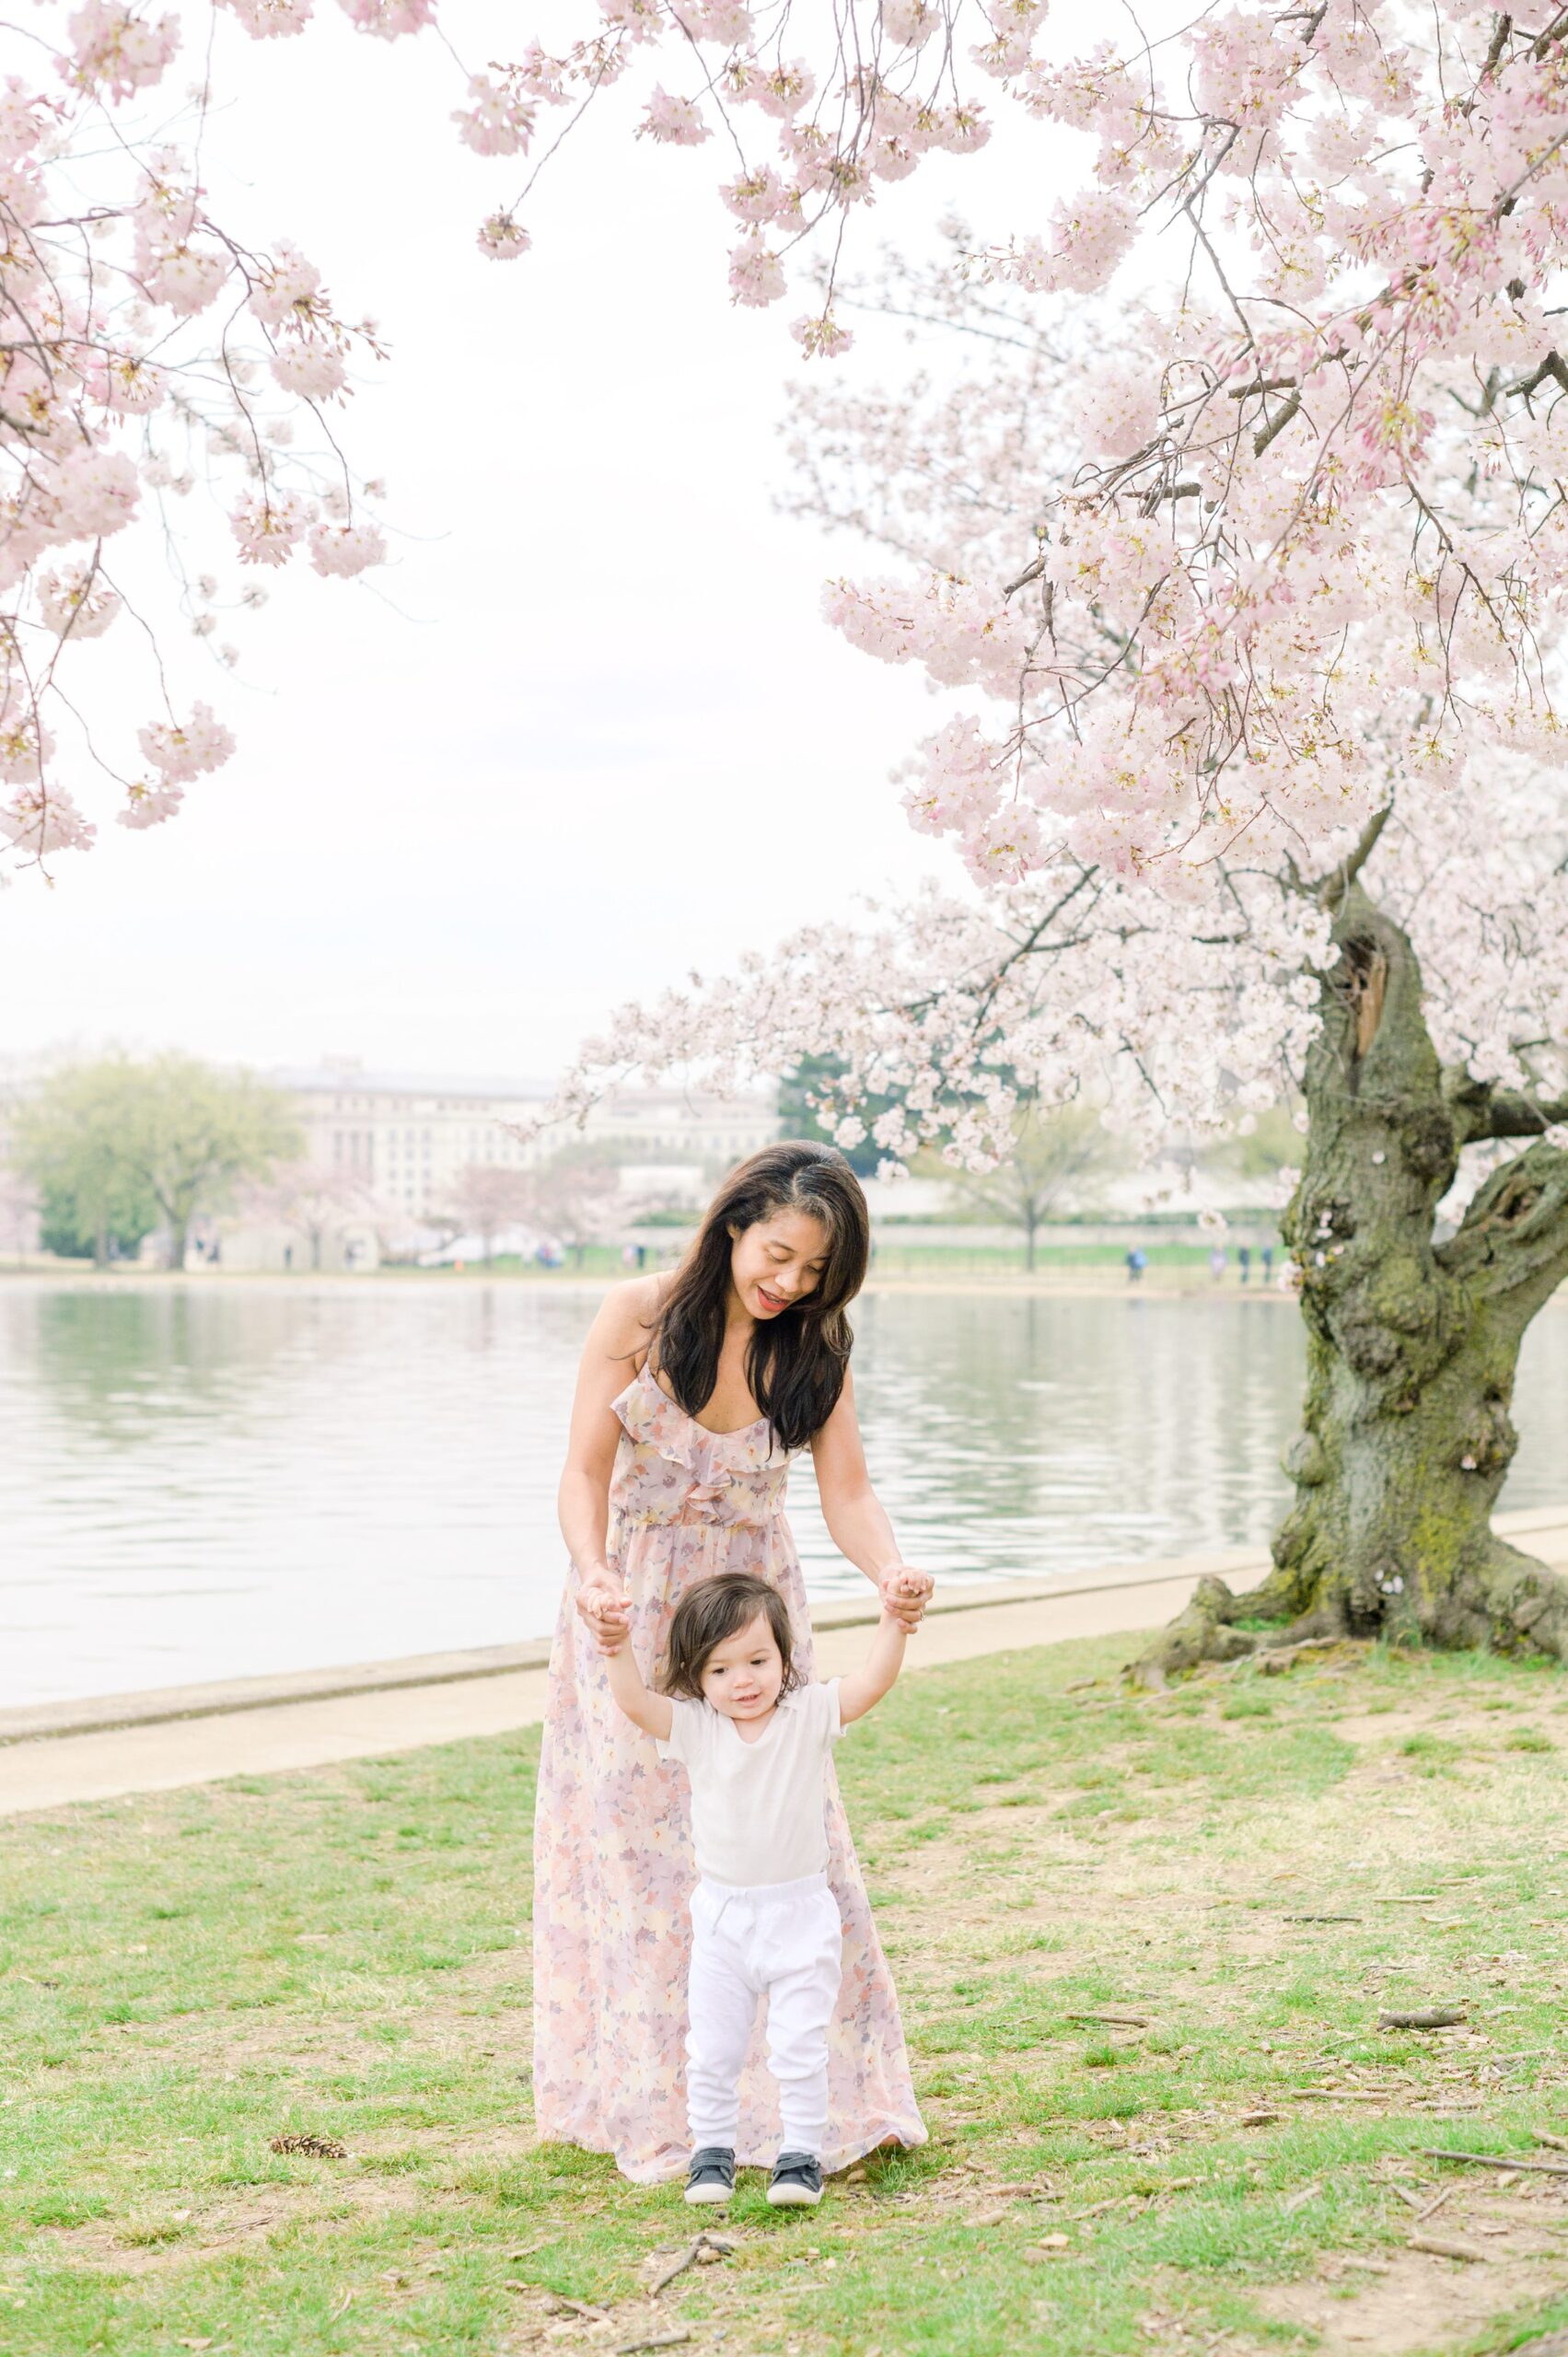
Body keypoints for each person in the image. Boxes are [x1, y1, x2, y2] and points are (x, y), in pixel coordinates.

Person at [537, 1143, 933, 2185]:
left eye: (813, 1272)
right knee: (639, 1858)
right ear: (733, 1223)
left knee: (784, 1845)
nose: (789, 1283)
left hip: (756, 1623)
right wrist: (590, 1573)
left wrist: (890, 1568)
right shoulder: (637, 1315)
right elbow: (581, 1471)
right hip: (637, 1611)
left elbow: (846, 1492)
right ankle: (662, 2107)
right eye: (779, 1254)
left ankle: (797, 2107)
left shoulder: (811, 1350)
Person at [596, 1568, 912, 2208]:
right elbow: (634, 1702)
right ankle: (710, 2153)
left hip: (800, 1913)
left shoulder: (807, 1716)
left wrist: (894, 1622)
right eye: (718, 1671)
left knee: (797, 2045)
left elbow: (871, 1682)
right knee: (711, 2046)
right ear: (695, 1678)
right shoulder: (696, 1728)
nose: (741, 1681)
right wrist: (612, 1645)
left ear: (783, 1658)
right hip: (723, 1920)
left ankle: (800, 2156)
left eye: (757, 1661)